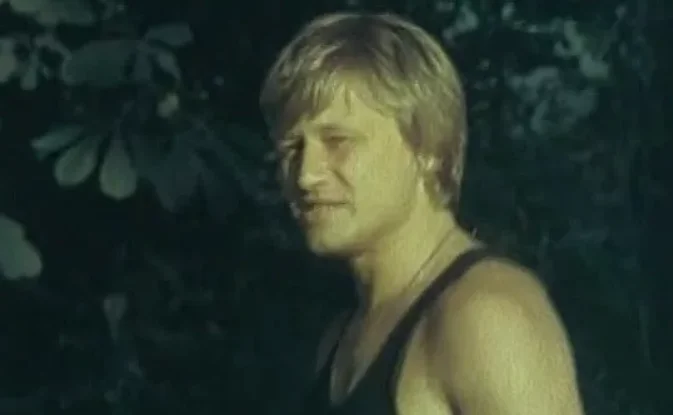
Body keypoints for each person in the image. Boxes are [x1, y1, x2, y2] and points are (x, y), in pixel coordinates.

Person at [259, 11, 585, 415]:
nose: (306, 174)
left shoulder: (485, 317)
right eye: (292, 148)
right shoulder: (341, 337)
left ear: (427, 149)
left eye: (337, 141)